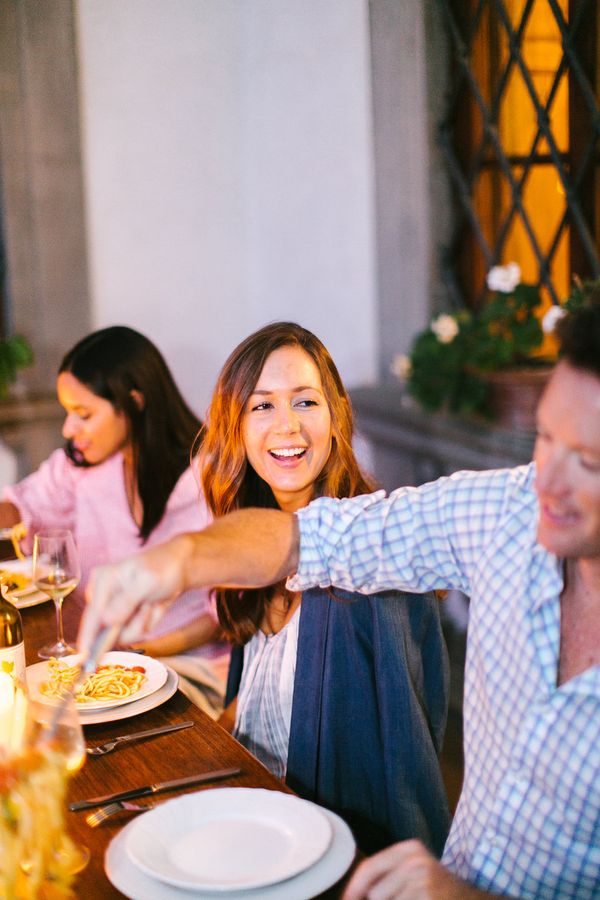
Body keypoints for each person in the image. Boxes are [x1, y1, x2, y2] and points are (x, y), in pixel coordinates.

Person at [78, 296, 600, 899]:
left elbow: (396, 787)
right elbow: (308, 541)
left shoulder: (374, 599)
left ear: (338, 414)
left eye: (586, 458)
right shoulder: (505, 510)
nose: (547, 481)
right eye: (542, 436)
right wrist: (177, 560)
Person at [194, 321, 450, 853]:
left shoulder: (373, 573)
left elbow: (404, 773)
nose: (288, 427)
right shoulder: (254, 539)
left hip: (320, 853)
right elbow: (256, 702)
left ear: (335, 417)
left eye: (305, 402)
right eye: (262, 406)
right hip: (246, 818)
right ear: (236, 427)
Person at [1, 325, 229, 716]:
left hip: (191, 666)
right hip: (99, 660)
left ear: (134, 402)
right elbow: (23, 504)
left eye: (83, 414)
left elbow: (223, 611)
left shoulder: (212, 477)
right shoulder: (81, 467)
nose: (68, 429)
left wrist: (135, 652)